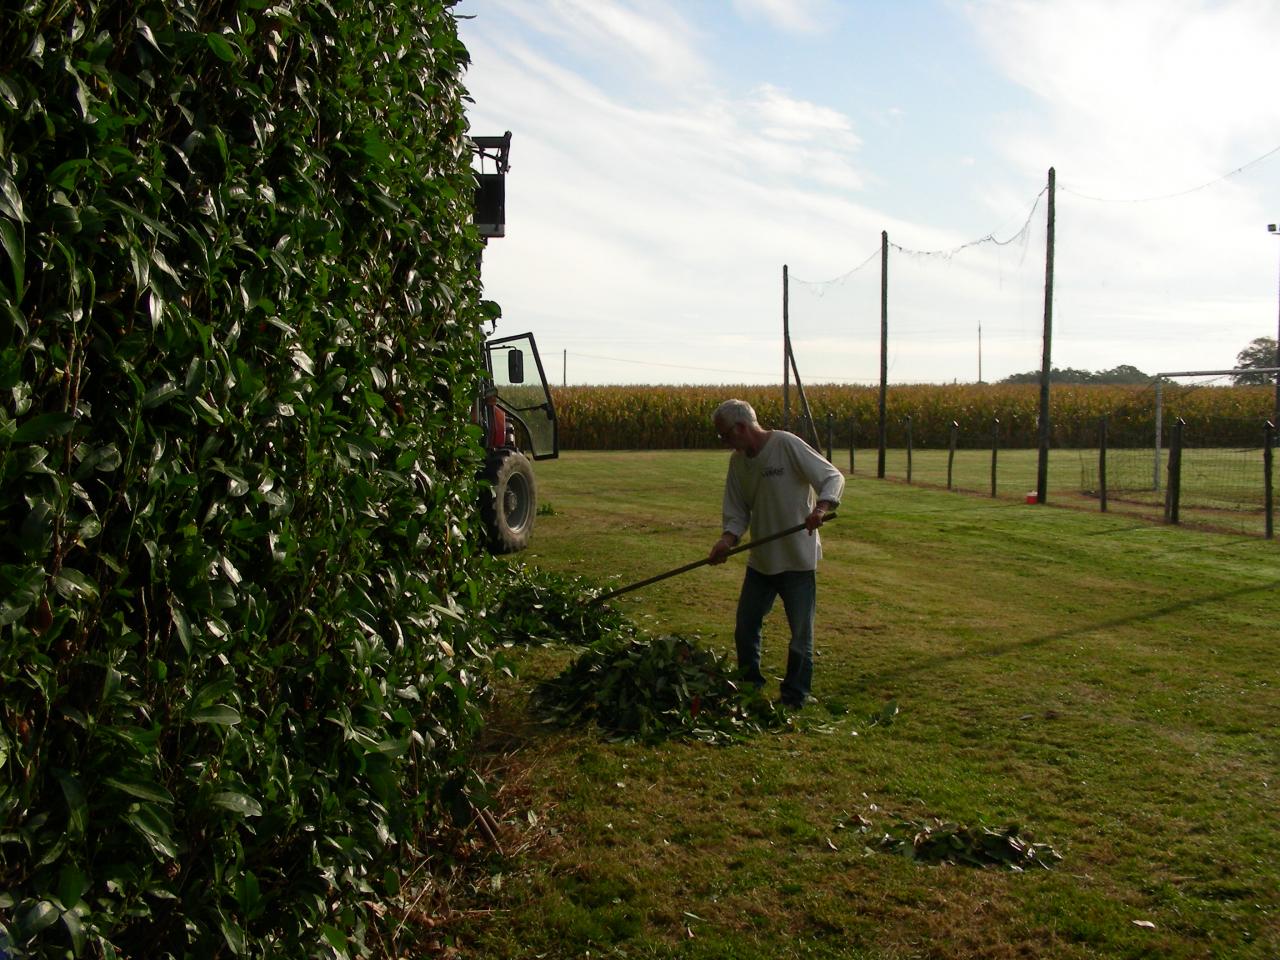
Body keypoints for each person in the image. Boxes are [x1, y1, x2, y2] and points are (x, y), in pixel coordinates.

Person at [708, 399, 844, 709]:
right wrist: (727, 540)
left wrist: (821, 508)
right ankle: (750, 686)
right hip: (762, 561)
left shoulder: (785, 444)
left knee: (800, 636)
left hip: (797, 560)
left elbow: (832, 477)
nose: (725, 442)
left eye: (725, 435)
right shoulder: (739, 462)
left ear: (742, 427)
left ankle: (795, 697)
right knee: (745, 628)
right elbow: (737, 510)